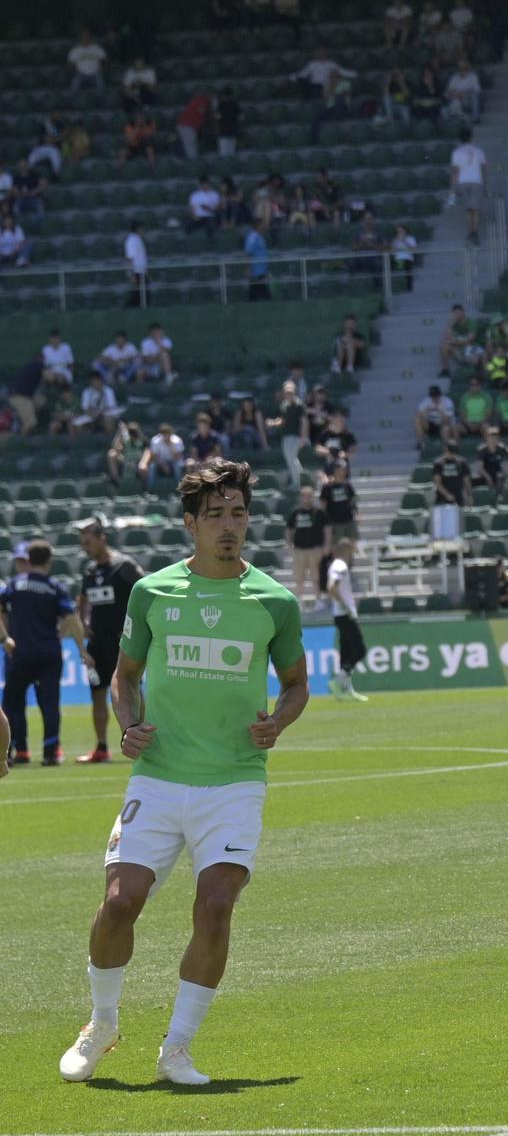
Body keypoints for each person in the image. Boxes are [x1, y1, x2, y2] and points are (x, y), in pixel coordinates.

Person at [57, 460, 310, 1085]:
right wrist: (129, 724)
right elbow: (125, 678)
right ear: (191, 524)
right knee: (120, 904)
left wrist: (278, 721)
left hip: (234, 781)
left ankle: (177, 1048)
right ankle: (102, 1023)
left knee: (217, 904)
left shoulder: (274, 600)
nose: (230, 526)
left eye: (239, 514)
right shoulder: (153, 593)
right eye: (216, 515)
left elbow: (298, 684)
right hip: (160, 778)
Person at [2, 539, 89, 766]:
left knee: (12, 703)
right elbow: (72, 619)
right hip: (49, 653)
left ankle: (16, 751)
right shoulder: (55, 587)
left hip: (19, 653)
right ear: (49, 560)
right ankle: (51, 752)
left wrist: (5, 638)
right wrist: (82, 649)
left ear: (28, 559)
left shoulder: (14, 585)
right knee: (50, 703)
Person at [75, 516, 143, 763]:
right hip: (97, 644)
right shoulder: (91, 571)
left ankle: (142, 739)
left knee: (132, 689)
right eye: (83, 544)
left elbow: (145, 591)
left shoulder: (123, 565)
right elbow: (81, 600)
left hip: (122, 641)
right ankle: (101, 747)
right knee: (97, 693)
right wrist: (83, 622)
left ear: (102, 539)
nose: (86, 548)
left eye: (89, 542)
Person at [323, 537, 370, 701]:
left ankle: (345, 690)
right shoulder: (340, 565)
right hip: (344, 614)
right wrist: (346, 607)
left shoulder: (335, 566)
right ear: (346, 551)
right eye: (351, 552)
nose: (352, 556)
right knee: (360, 650)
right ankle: (337, 682)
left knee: (346, 653)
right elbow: (331, 587)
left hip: (340, 615)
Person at [286, 484, 327, 608]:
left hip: (315, 548)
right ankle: (298, 601)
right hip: (299, 549)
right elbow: (289, 530)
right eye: (305, 496)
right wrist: (289, 544)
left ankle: (318, 600)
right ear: (301, 497)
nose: (307, 498)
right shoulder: (295, 512)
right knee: (299, 577)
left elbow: (327, 530)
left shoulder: (319, 513)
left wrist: (325, 546)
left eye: (310, 496)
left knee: (316, 576)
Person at [432, 435, 470, 541]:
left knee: (458, 526)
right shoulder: (439, 463)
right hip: (442, 499)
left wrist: (469, 494)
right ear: (446, 450)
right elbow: (437, 482)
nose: (452, 454)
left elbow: (466, 479)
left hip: (458, 496)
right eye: (450, 451)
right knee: (443, 528)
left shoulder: (461, 462)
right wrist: (447, 494)